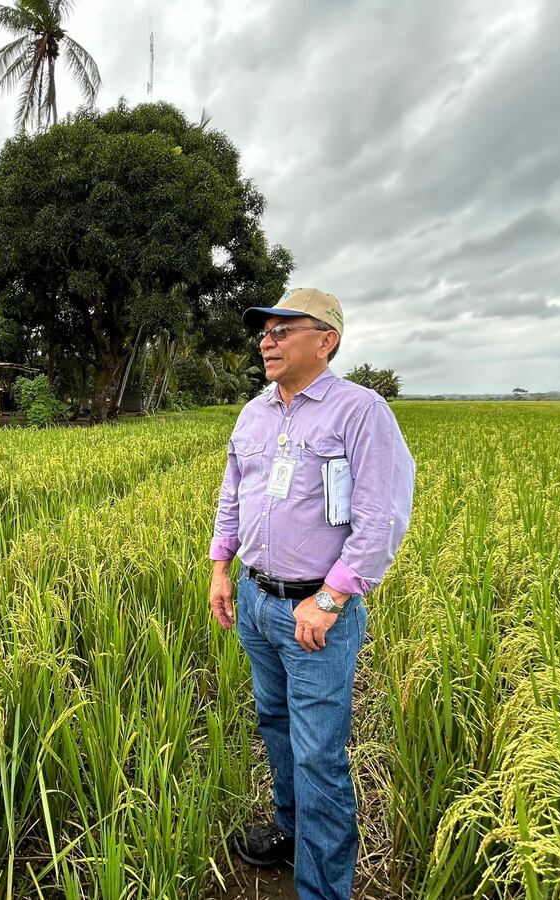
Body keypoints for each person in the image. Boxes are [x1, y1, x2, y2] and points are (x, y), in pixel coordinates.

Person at [209, 288, 415, 899]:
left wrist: (329, 599)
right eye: (264, 331)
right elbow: (232, 496)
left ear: (326, 340)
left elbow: (381, 518)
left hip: (314, 615)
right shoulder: (254, 414)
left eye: (282, 329)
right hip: (255, 600)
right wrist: (222, 568)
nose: (266, 340)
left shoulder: (360, 412)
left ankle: (322, 888)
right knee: (275, 723)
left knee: (320, 755)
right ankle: (289, 830)